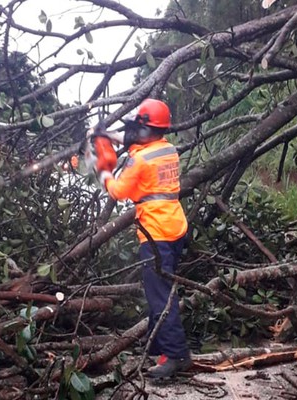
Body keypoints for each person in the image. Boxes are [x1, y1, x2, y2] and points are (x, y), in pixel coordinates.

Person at [94, 98, 192, 378]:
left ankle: (176, 355)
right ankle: (158, 348)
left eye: (140, 126)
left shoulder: (139, 160)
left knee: (160, 297)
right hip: (175, 228)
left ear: (146, 129)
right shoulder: (167, 149)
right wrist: (107, 134)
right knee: (161, 292)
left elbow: (117, 191)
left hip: (155, 234)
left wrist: (103, 167)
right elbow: (134, 137)